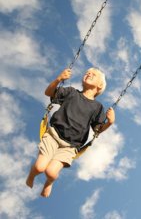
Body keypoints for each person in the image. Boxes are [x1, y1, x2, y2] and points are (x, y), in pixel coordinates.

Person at [26, 68, 115, 197]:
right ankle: (31, 176)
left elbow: (97, 130)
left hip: (70, 146)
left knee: (51, 172)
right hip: (53, 135)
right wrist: (59, 79)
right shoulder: (71, 92)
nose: (88, 74)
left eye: (93, 74)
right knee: (40, 167)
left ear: (100, 85)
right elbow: (48, 92)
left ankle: (48, 183)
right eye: (87, 73)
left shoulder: (98, 107)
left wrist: (110, 122)